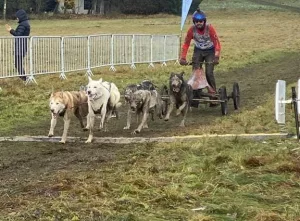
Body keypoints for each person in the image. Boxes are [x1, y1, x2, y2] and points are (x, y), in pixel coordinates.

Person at [179, 8, 221, 93]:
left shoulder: (210, 28)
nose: (199, 23)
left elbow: (216, 43)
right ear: (194, 22)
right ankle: (196, 93)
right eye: (197, 21)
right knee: (196, 72)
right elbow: (186, 44)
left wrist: (216, 56)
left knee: (209, 73)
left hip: (210, 51)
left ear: (204, 21)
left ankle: (213, 93)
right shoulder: (191, 30)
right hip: (198, 51)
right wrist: (183, 57)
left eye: (201, 21)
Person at [5, 9, 31, 81]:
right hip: (21, 45)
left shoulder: (23, 24)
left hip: (21, 46)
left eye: (17, 17)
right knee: (18, 63)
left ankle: (24, 78)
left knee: (18, 63)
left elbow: (18, 34)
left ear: (21, 16)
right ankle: (23, 77)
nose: (17, 18)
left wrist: (10, 30)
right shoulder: (25, 23)